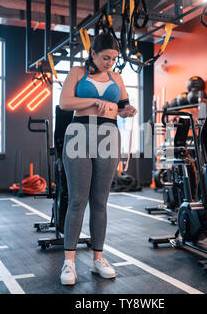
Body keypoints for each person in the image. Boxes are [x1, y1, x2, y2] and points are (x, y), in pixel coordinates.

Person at [58, 33, 137, 285]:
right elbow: (64, 103)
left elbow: (123, 107)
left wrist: (128, 110)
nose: (109, 63)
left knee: (100, 201)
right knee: (78, 200)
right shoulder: (77, 73)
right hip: (79, 133)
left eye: (113, 59)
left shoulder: (117, 77)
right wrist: (95, 100)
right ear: (93, 54)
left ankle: (98, 258)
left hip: (108, 135)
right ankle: (69, 262)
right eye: (105, 58)